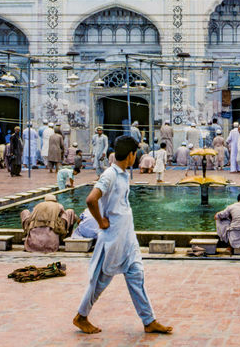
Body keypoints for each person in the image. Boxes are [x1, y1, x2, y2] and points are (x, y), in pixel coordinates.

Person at [73, 135, 171, 335]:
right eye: (136, 154)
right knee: (101, 280)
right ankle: (81, 316)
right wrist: (101, 222)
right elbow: (91, 199)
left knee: (136, 275)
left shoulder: (122, 174)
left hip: (127, 237)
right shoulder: (110, 175)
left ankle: (149, 320)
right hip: (114, 239)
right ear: (131, 155)